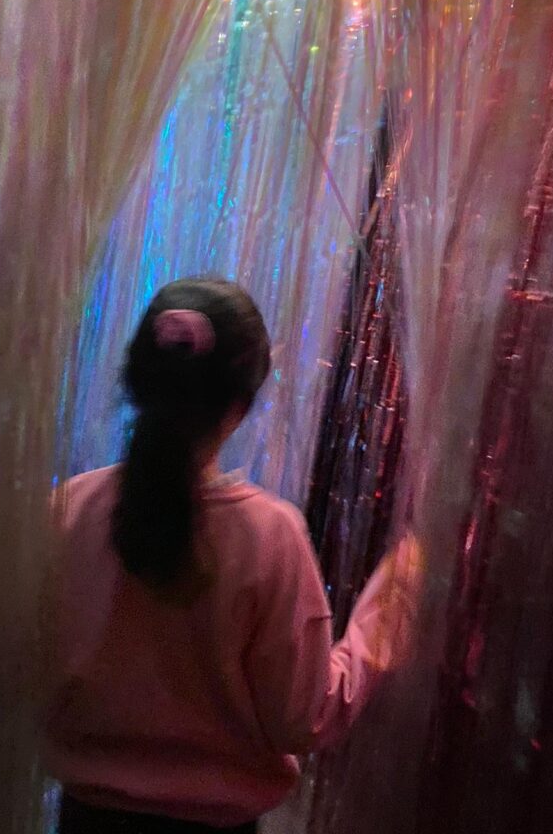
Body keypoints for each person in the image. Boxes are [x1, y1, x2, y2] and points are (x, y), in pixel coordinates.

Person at [43, 277, 421, 834]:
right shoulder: (270, 536)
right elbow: (304, 719)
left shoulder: (68, 509)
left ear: (136, 381)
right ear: (242, 404)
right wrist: (391, 604)